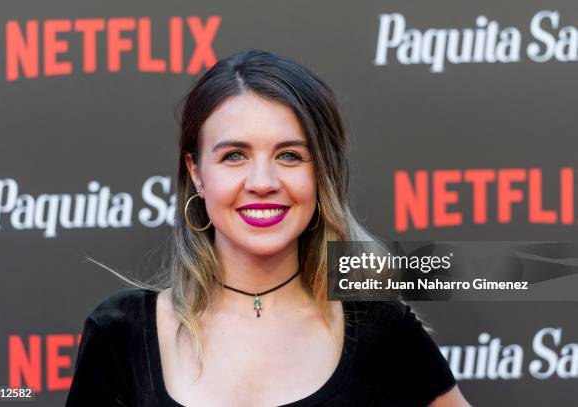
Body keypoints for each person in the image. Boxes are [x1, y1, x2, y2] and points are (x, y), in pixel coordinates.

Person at [66, 49, 470, 406]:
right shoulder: (121, 332)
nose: (263, 182)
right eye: (235, 156)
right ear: (197, 173)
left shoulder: (379, 325)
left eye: (291, 156)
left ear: (321, 173)